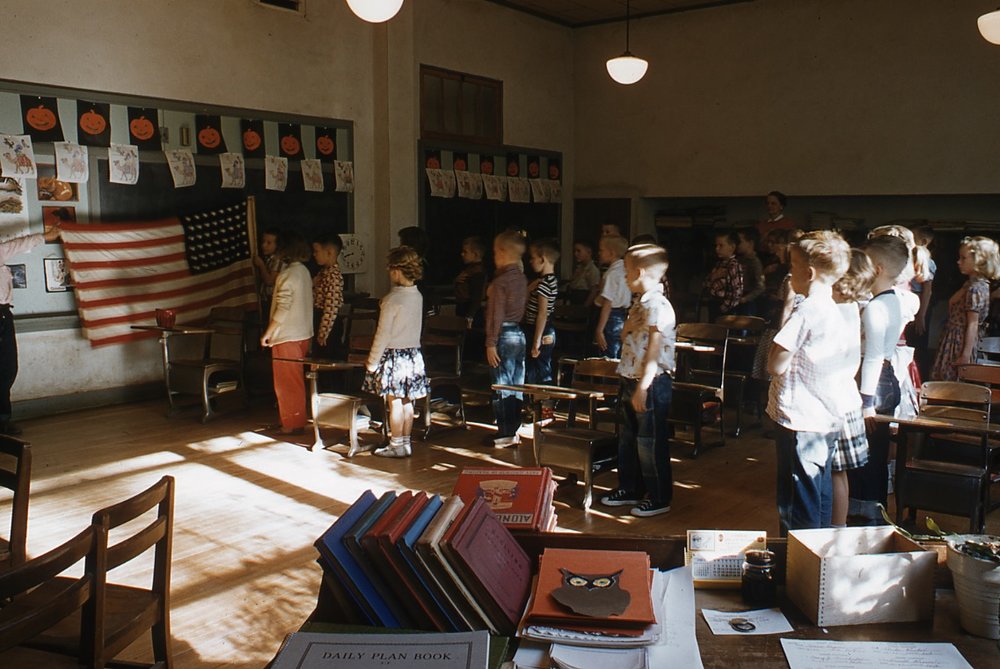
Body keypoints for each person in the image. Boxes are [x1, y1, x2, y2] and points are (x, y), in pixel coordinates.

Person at [766, 230, 850, 535]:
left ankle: (797, 564)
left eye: (792, 265)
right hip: (825, 417)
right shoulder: (833, 308)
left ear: (809, 272)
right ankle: (820, 561)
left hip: (798, 420)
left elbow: (776, 364)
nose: (789, 272)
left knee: (795, 500)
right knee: (819, 490)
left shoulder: (806, 311)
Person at [600, 244, 676, 518]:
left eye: (628, 272)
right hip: (630, 377)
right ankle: (630, 487)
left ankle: (658, 496)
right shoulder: (639, 303)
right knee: (628, 438)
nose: (625, 277)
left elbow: (654, 348)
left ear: (640, 272)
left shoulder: (658, 305)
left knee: (649, 441)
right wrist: (629, 325)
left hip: (651, 382)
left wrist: (643, 387)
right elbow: (625, 339)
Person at [847, 234, 910, 523]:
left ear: (879, 268)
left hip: (872, 384)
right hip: (884, 380)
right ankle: (873, 515)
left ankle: (866, 519)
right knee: (874, 455)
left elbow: (872, 355)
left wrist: (866, 402)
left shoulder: (876, 306)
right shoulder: (893, 299)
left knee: (865, 458)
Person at [362, 246, 430, 458]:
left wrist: (372, 362)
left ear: (397, 270)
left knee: (395, 402)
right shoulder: (417, 295)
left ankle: (395, 443)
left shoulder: (392, 300)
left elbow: (382, 334)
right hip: (413, 355)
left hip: (394, 357)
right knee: (408, 401)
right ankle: (405, 442)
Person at [0, 223, 62, 435]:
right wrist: (46, 236)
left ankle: (2, 423)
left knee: (7, 370)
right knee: (5, 370)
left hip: (3, 314)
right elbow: (17, 244)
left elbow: (16, 245)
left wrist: (45, 236)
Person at [830, 249, 876, 528]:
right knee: (839, 472)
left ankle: (835, 528)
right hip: (845, 396)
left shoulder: (841, 310)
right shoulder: (856, 307)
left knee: (834, 472)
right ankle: (838, 528)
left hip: (835, 400)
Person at [260, 232, 314, 435]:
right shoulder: (304, 272)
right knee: (296, 380)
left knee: (286, 383)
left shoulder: (287, 275)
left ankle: (291, 423)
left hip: (287, 335)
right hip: (303, 334)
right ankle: (295, 419)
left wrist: (268, 332)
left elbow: (283, 308)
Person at [931, 236, 1000, 381]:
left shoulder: (975, 289)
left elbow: (973, 323)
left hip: (959, 342)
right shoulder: (970, 285)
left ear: (980, 261)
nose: (958, 262)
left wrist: (965, 355)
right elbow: (952, 303)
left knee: (950, 381)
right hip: (953, 337)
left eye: (963, 258)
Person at [486, 230, 528, 448]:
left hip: (502, 334)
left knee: (501, 384)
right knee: (516, 384)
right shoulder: (521, 278)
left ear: (502, 252)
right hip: (519, 334)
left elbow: (496, 314)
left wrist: (490, 342)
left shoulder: (500, 282)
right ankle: (514, 428)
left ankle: (504, 432)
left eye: (494, 251)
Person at [524, 238, 559, 384]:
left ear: (542, 259)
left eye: (533, 258)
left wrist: (536, 341)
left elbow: (542, 314)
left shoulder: (544, 285)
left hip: (539, 330)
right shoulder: (551, 281)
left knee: (537, 367)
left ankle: (541, 401)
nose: (530, 261)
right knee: (541, 365)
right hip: (545, 329)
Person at [593, 234, 630, 358]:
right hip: (623, 315)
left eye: (601, 250)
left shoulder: (612, 274)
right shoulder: (626, 270)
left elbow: (607, 303)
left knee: (608, 355)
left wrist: (599, 330)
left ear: (611, 253)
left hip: (610, 317)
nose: (599, 253)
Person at [312, 232, 344, 359]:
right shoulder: (323, 273)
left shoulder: (333, 276)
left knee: (328, 358)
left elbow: (331, 306)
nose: (314, 255)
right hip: (320, 318)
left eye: (316, 251)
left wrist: (324, 332)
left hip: (329, 324)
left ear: (329, 252)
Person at [705, 230, 744, 322]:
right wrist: (713, 277)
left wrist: (723, 308)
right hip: (713, 303)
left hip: (725, 308)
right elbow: (705, 284)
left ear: (732, 247)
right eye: (716, 246)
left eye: (721, 246)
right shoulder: (719, 264)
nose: (717, 249)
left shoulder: (733, 266)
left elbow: (736, 292)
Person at [453, 236, 487, 323]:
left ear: (475, 254)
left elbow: (476, 297)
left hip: (469, 311)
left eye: (465, 252)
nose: (462, 254)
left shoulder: (477, 272)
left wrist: (470, 316)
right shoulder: (470, 270)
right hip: (463, 308)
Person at [253, 227, 285, 317]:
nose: (264, 245)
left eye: (269, 243)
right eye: (263, 242)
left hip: (272, 301)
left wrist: (261, 265)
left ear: (277, 245)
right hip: (265, 300)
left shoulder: (278, 261)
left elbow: (270, 281)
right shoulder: (269, 260)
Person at [736, 228, 765, 316]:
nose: (737, 245)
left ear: (750, 243)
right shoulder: (738, 260)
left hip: (747, 302)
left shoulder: (754, 262)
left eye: (740, 242)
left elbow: (760, 287)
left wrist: (745, 298)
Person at [566, 239, 600, 306]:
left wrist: (586, 306)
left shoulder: (592, 270)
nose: (575, 254)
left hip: (583, 299)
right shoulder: (579, 268)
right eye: (574, 251)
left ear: (589, 252)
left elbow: (594, 291)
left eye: (579, 251)